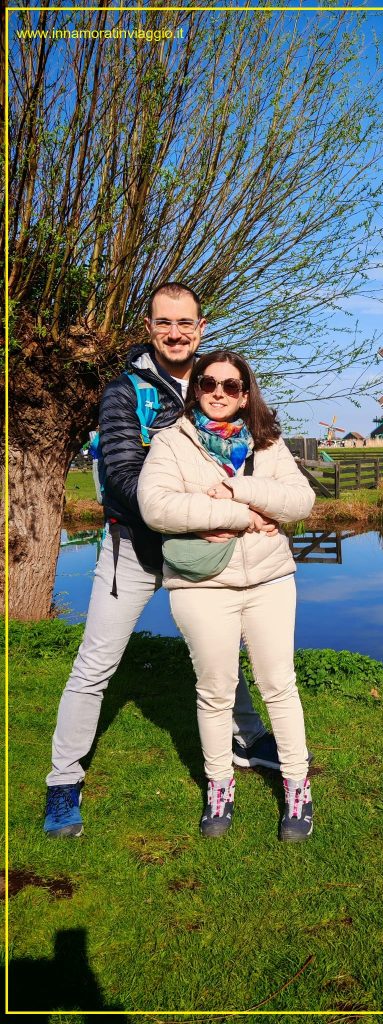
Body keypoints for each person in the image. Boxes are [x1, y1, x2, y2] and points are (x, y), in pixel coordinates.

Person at [43, 283, 276, 839]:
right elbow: (124, 480)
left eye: (186, 323)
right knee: (95, 665)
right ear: (149, 327)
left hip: (203, 552)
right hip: (136, 550)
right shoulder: (125, 392)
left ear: (200, 327)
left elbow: (251, 458)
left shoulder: (213, 385)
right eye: (164, 322)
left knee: (223, 651)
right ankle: (62, 781)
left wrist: (261, 503)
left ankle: (247, 736)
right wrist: (203, 514)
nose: (176, 332)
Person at [137, 350, 316, 841]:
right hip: (202, 585)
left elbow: (301, 501)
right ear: (196, 389)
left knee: (279, 683)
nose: (219, 392)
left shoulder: (268, 443)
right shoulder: (171, 443)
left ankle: (297, 787)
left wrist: (239, 492)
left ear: (245, 393)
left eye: (232, 386)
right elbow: (157, 507)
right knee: (214, 690)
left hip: (269, 581)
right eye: (209, 383)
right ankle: (220, 785)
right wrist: (247, 518)